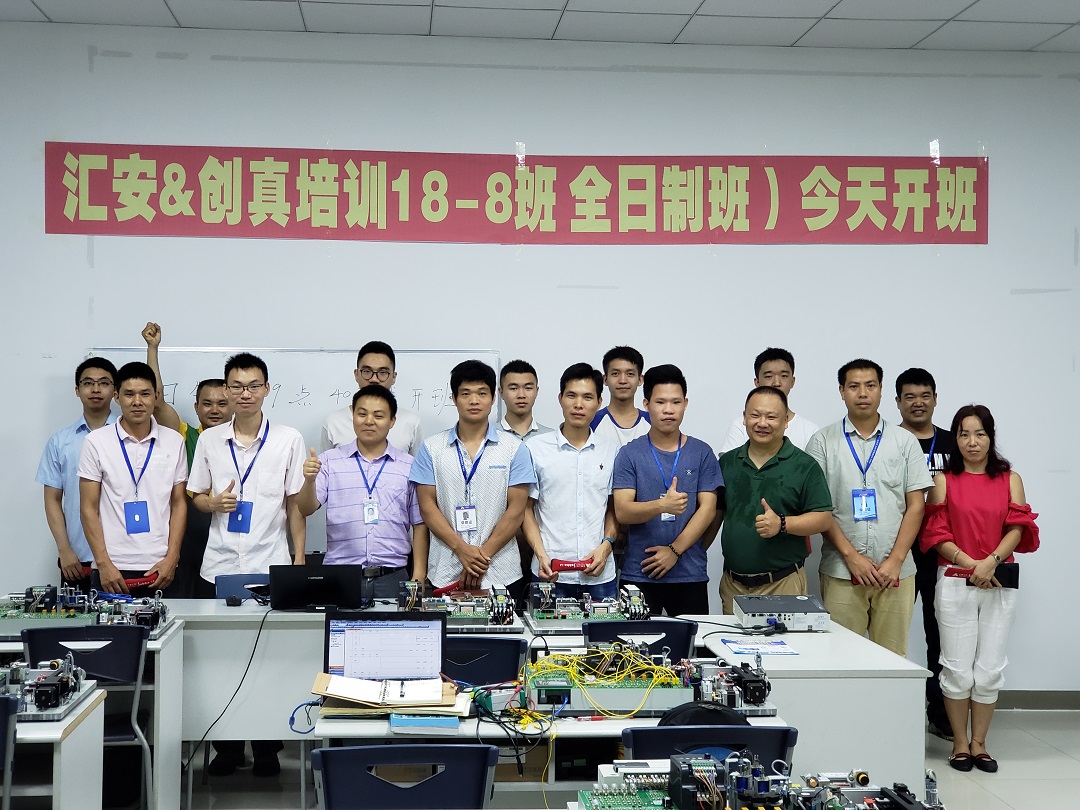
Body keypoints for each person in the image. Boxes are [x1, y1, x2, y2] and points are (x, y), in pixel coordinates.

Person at [187, 352, 306, 778]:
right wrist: (212, 503)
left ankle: (268, 748)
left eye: (253, 386)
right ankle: (228, 748)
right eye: (236, 386)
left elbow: (295, 505)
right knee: (220, 662)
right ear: (226, 389)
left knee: (268, 661)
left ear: (266, 389)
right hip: (219, 567)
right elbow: (196, 495)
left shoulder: (288, 439)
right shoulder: (209, 440)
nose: (245, 394)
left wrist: (298, 558)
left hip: (269, 564)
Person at [921, 405, 1039, 774]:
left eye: (980, 434)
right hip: (955, 581)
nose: (972, 442)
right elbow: (935, 533)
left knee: (989, 668)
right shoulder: (944, 481)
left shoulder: (1010, 478)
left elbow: (1018, 527)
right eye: (964, 434)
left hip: (999, 581)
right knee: (957, 668)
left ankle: (980, 744)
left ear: (991, 437)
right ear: (955, 439)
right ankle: (959, 743)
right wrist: (972, 564)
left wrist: (991, 561)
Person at [806, 359, 933, 656]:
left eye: (870, 385)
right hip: (842, 571)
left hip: (896, 574)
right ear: (841, 391)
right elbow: (819, 509)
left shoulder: (905, 441)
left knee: (892, 661)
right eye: (854, 386)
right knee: (841, 659)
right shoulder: (822, 442)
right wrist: (852, 558)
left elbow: (916, 506)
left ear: (881, 389)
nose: (862, 393)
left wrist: (895, 561)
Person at [409, 360, 535, 591]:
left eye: (482, 393)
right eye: (465, 393)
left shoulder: (515, 449)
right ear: (454, 398)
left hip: (501, 572)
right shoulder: (431, 448)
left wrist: (480, 558)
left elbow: (517, 511)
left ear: (493, 398)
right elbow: (427, 508)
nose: (474, 400)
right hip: (446, 571)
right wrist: (461, 549)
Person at [296, 386, 430, 598]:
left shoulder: (409, 465)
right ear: (353, 416)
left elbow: (419, 524)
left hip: (392, 576)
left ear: (392, 421)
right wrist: (309, 480)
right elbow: (305, 508)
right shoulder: (330, 460)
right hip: (340, 576)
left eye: (378, 415)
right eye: (362, 414)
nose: (369, 421)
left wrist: (419, 575)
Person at [612, 364, 721, 616]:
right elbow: (623, 512)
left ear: (685, 404)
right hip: (639, 573)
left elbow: (708, 510)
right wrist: (662, 505)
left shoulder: (702, 452)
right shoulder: (629, 454)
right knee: (633, 641)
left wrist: (674, 551)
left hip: (689, 573)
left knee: (692, 641)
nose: (668, 410)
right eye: (660, 402)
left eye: (676, 402)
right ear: (646, 404)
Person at [716, 387, 833, 614]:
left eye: (771, 417)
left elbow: (824, 518)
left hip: (783, 584)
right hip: (733, 585)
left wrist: (782, 524)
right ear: (744, 417)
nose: (762, 423)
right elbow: (716, 514)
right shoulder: (727, 463)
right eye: (755, 415)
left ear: (786, 420)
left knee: (784, 639)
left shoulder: (804, 465)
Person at [77, 362, 187, 596]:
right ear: (117, 397)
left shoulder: (174, 441)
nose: (137, 401)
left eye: (145, 394)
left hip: (161, 566)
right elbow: (88, 508)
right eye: (129, 394)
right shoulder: (96, 442)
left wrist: (172, 558)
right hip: (112, 567)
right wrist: (103, 563)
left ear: (156, 396)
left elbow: (179, 503)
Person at [141, 321, 232, 597]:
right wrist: (152, 349)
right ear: (196, 406)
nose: (214, 410)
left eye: (222, 403)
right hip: (190, 536)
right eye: (207, 403)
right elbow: (157, 402)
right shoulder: (185, 435)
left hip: (230, 535)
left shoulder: (245, 443)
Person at [896, 367, 958, 741]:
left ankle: (941, 713)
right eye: (910, 396)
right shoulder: (889, 442)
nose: (918, 403)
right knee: (892, 633)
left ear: (935, 399)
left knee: (941, 635)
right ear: (898, 402)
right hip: (899, 551)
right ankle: (893, 711)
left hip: (944, 553)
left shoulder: (954, 443)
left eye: (925, 395)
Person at [523, 363, 619, 599]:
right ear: (560, 399)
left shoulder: (611, 451)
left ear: (599, 402)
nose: (578, 404)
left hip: (599, 575)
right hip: (550, 571)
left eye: (587, 397)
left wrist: (606, 546)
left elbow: (614, 509)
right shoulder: (535, 449)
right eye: (571, 395)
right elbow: (525, 509)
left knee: (606, 627)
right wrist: (541, 554)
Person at [37, 357, 117, 588]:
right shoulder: (60, 441)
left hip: (123, 557)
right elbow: (52, 499)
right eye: (88, 383)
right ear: (77, 390)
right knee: (76, 613)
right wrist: (64, 549)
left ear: (115, 391)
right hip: (77, 558)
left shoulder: (128, 437)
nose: (95, 389)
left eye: (104, 383)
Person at [320, 341, 423, 455]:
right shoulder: (333, 422)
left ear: (393, 377)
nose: (374, 379)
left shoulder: (411, 422)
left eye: (382, 372)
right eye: (367, 371)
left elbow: (417, 465)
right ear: (356, 374)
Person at [718, 348, 820, 453]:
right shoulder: (741, 426)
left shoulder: (810, 431)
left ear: (792, 381)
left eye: (784, 376)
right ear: (757, 382)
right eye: (768, 376)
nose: (776, 383)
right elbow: (730, 461)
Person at [591, 346, 651, 447]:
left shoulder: (653, 422)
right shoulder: (592, 422)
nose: (623, 380)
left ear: (640, 380)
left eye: (630, 374)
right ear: (605, 379)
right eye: (615, 374)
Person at [498, 359, 553, 440]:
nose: (521, 395)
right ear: (501, 392)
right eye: (513, 388)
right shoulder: (488, 436)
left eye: (528, 388)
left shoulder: (551, 438)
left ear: (536, 391)